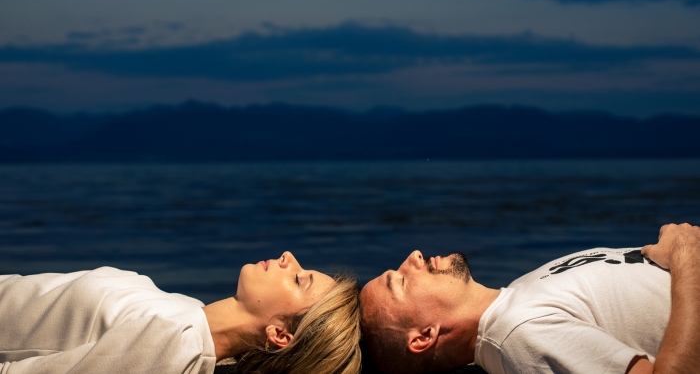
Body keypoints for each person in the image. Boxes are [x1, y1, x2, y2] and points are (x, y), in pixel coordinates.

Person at [360, 223, 700, 374]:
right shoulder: (519, 336)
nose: (415, 256)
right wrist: (687, 259)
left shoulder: (513, 299)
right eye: (400, 282)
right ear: (424, 336)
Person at [0, 251, 362, 374]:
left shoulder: (175, 347)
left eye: (299, 279)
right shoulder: (190, 314)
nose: (288, 257)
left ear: (280, 335)